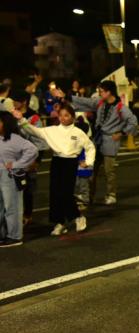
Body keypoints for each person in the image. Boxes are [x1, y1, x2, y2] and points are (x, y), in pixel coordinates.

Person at [13, 103, 95, 236]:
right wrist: (21, 119)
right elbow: (34, 131)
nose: (63, 118)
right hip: (57, 161)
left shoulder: (78, 132)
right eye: (61, 115)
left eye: (67, 115)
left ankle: (78, 217)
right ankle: (60, 223)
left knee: (66, 193)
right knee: (55, 192)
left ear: (73, 117)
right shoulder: (53, 130)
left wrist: (89, 162)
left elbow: (90, 147)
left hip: (70, 162)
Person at [52, 80, 138, 205]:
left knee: (109, 171)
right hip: (97, 140)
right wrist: (67, 97)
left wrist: (121, 133)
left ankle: (111, 194)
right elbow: (86, 102)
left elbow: (133, 122)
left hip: (110, 141)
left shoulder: (121, 107)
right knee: (90, 168)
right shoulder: (100, 102)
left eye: (102, 91)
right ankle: (88, 196)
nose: (99, 93)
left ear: (109, 92)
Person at [9, 90, 48, 225]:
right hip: (13, 157)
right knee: (14, 188)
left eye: (16, 101)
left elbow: (40, 141)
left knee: (28, 188)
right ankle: (16, 215)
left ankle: (28, 214)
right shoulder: (11, 114)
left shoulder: (34, 117)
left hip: (29, 158)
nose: (13, 103)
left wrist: (37, 161)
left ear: (24, 102)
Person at [0, 112, 38, 247]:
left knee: (13, 207)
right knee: (1, 208)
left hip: (10, 176)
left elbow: (33, 150)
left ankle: (15, 236)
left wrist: (18, 164)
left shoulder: (15, 139)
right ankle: (3, 234)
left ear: (6, 123)